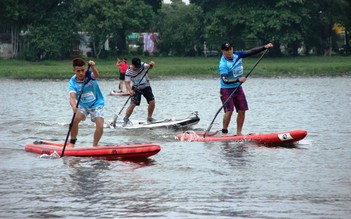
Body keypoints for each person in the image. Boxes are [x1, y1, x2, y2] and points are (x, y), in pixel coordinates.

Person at [219, 41, 273, 136]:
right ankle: (224, 132)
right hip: (226, 89)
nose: (229, 51)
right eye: (226, 50)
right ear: (223, 51)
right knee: (229, 110)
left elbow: (251, 52)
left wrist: (265, 47)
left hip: (238, 88)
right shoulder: (223, 64)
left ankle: (239, 133)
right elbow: (225, 79)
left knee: (242, 109)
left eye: (230, 49)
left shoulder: (237, 55)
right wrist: (238, 79)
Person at [68, 58, 105, 147]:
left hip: (97, 104)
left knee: (100, 126)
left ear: (85, 69)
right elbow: (72, 97)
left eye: (82, 70)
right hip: (83, 105)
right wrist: (73, 106)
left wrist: (92, 66)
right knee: (74, 121)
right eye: (78, 71)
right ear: (74, 70)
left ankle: (94, 146)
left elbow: (96, 75)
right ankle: (72, 142)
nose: (81, 73)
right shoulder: (72, 82)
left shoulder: (89, 75)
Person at [122, 57, 155, 126]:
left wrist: (151, 64)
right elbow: (127, 83)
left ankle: (149, 118)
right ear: (132, 65)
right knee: (133, 104)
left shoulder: (142, 65)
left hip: (146, 86)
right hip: (136, 88)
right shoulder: (128, 72)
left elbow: (149, 66)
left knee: (152, 101)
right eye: (136, 67)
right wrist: (130, 91)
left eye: (138, 66)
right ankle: (126, 119)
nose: (138, 68)